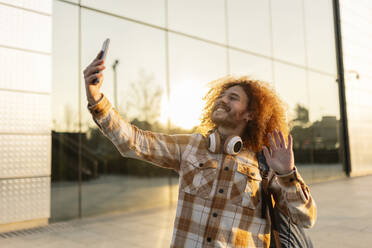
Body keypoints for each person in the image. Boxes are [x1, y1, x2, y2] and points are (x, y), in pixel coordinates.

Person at [83, 51, 317, 248]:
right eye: (221, 96)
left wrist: (287, 174)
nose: (222, 100)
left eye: (233, 98)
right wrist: (97, 100)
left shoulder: (266, 162)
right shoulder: (191, 147)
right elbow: (134, 142)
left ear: (251, 114)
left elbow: (305, 218)